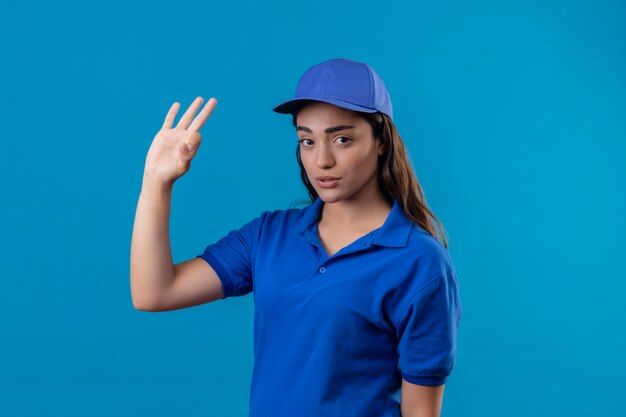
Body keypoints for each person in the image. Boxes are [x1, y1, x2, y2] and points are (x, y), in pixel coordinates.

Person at [130, 58, 462, 417]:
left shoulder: (419, 261)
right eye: (307, 140)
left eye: (342, 139)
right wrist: (156, 183)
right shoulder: (269, 236)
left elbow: (421, 412)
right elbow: (154, 293)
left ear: (381, 140)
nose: (322, 160)